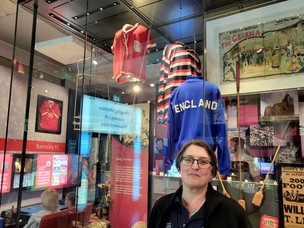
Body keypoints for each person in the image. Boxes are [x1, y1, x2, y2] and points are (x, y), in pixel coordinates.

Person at [148, 139, 252, 228]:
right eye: (188, 160)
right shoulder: (161, 207)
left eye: (203, 162)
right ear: (179, 167)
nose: (195, 166)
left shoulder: (232, 212)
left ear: (213, 172)